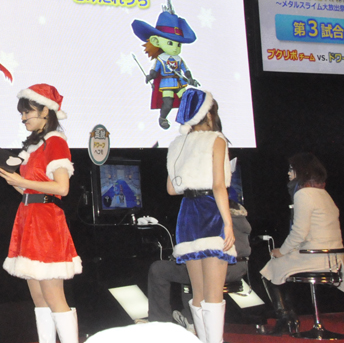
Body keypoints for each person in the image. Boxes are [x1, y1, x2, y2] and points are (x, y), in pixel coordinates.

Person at [0, 84, 81, 343]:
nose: (23, 118)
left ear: (46, 111)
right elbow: (29, 189)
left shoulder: (55, 141)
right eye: (21, 113)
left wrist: (21, 181)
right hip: (29, 217)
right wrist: (11, 179)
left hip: (45, 221)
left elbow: (62, 188)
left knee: (53, 296)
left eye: (27, 112)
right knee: (39, 297)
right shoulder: (34, 146)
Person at [165, 89, 235, 343]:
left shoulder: (177, 144)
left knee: (199, 292)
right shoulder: (216, 140)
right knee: (214, 293)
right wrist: (228, 223)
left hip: (187, 214)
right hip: (210, 211)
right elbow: (218, 185)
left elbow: (171, 189)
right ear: (209, 114)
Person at [260, 152, 344, 335]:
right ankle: (291, 318)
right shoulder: (323, 193)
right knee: (281, 266)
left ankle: (287, 319)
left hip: (315, 256)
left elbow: (299, 232)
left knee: (269, 269)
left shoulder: (303, 194)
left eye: (291, 169)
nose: (289, 173)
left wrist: (282, 251)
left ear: (302, 170)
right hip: (333, 256)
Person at [146, 191, 251, 331]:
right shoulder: (240, 217)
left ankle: (162, 323)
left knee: (159, 268)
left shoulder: (208, 213)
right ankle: (189, 317)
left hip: (217, 267)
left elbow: (197, 248)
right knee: (189, 269)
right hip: (238, 268)